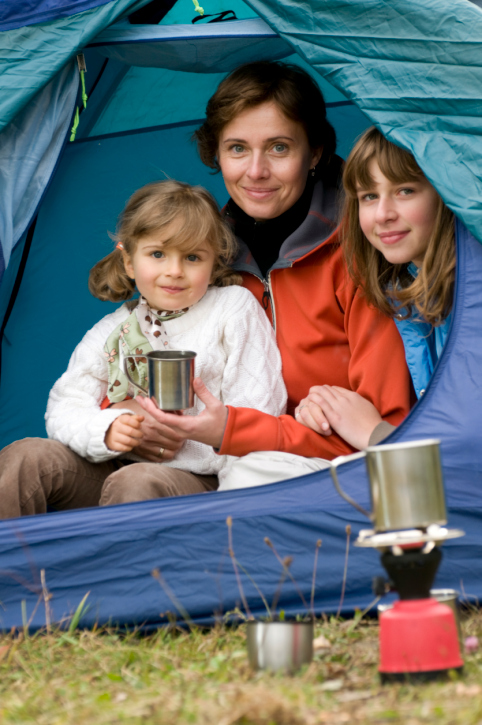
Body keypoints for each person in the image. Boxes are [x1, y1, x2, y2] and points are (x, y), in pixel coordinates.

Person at [134, 61, 413, 488]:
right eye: (237, 148)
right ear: (217, 154)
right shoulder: (200, 255)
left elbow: (383, 432)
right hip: (205, 455)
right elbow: (133, 346)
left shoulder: (364, 250)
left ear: (314, 152)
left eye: (279, 148)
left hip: (321, 466)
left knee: (232, 478)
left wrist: (233, 431)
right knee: (40, 462)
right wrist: (129, 417)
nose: (256, 171)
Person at [0, 180, 287, 517]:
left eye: (193, 257)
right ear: (129, 263)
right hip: (113, 470)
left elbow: (260, 410)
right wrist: (108, 429)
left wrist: (236, 502)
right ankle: (14, 567)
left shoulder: (232, 309)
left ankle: (121, 571)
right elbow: (64, 408)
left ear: (214, 264)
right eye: (157, 254)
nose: (175, 271)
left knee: (137, 480)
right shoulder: (113, 329)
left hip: (202, 484)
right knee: (26, 456)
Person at [295, 126, 455, 449]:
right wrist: (323, 408)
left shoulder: (471, 297)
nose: (382, 215)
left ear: (444, 192)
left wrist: (375, 434)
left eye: (405, 191)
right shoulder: (405, 292)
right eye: (369, 196)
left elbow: (464, 451)